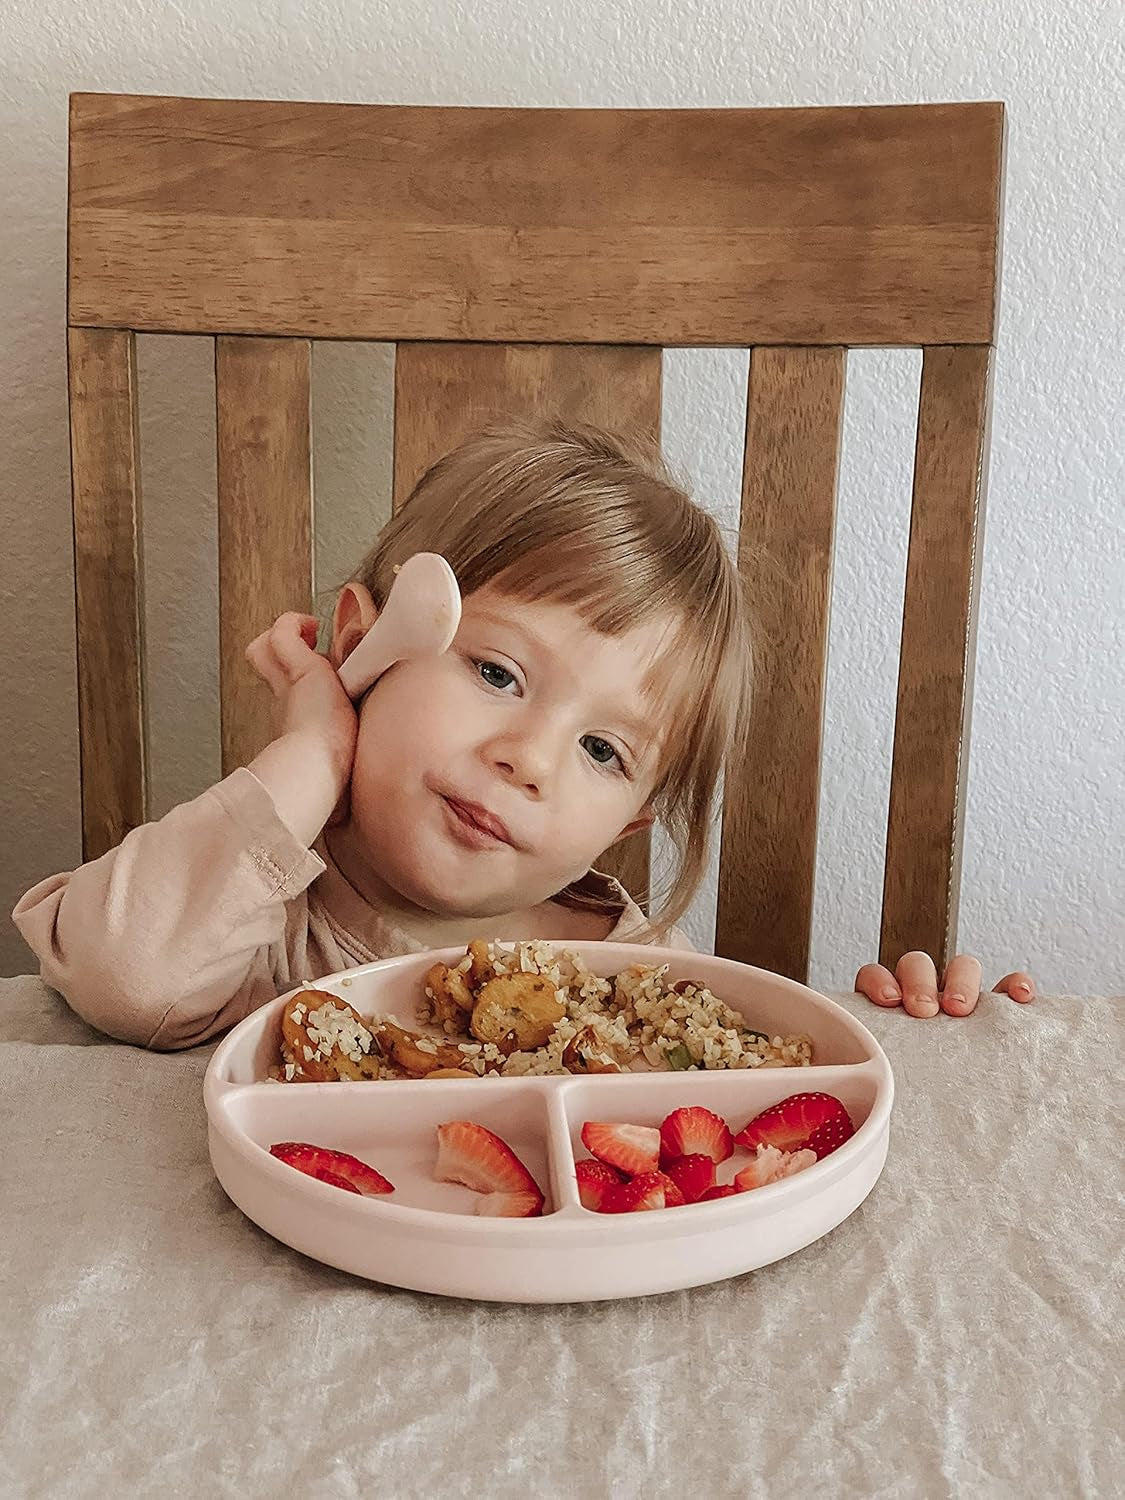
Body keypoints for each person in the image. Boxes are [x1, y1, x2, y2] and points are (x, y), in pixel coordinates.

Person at [12, 419, 1034, 1049]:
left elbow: (734, 1103)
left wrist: (909, 1029)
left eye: (603, 751)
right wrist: (311, 752)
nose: (531, 758)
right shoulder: (255, 907)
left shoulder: (635, 971)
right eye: (497, 673)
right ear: (366, 649)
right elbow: (126, 974)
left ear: (629, 822)